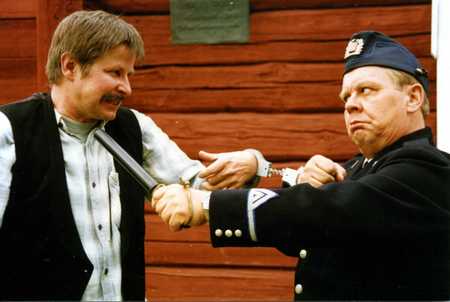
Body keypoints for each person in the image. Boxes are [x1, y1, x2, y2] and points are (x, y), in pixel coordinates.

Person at [152, 31, 450, 300]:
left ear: (412, 98)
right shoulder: (361, 168)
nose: (350, 104)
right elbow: (303, 232)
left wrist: (206, 204)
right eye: (346, 96)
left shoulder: (426, 170)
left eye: (366, 90)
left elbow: (326, 210)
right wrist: (279, 173)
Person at [0, 10, 261, 301]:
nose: (127, 87)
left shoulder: (135, 126)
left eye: (128, 75)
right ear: (70, 66)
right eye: (115, 73)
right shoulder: (8, 129)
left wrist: (253, 165)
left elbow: (199, 188)